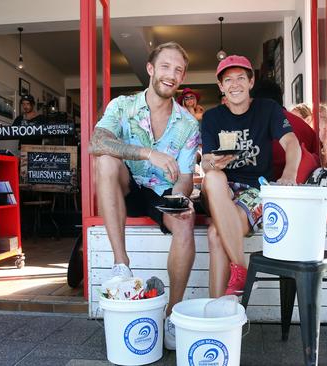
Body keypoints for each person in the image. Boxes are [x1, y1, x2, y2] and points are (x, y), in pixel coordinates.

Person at [88, 41, 200, 350]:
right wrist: (146, 153)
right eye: (165, 66)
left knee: (185, 222)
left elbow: (187, 177)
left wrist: (179, 199)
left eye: (178, 70)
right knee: (107, 159)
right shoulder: (122, 106)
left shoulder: (189, 124)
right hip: (126, 185)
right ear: (151, 69)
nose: (171, 74)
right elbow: (96, 142)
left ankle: (172, 315)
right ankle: (121, 264)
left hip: (162, 192)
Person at [200, 55, 301, 297]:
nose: (235, 85)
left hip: (254, 190)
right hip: (220, 189)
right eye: (228, 80)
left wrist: (289, 174)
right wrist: (213, 162)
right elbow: (205, 161)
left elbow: (292, 143)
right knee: (213, 177)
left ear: (251, 82)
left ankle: (218, 309)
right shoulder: (212, 118)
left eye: (241, 78)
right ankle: (243, 270)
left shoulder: (268, 109)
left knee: (215, 232)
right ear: (221, 87)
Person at [251, 80, 320, 181]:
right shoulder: (305, 127)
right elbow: (317, 162)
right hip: (299, 190)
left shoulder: (251, 124)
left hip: (261, 187)